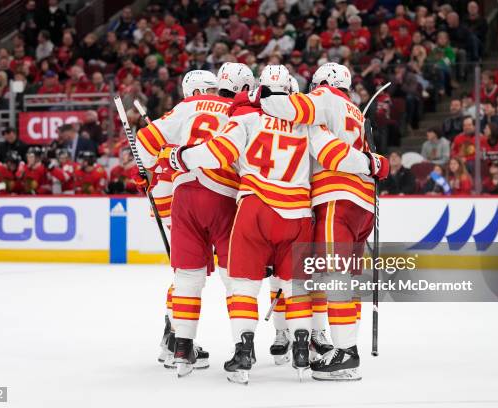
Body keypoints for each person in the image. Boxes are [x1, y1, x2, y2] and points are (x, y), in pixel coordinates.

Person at [159, 65, 387, 384]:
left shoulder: (253, 115)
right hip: (313, 209)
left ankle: (238, 348)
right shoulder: (320, 124)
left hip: (260, 206)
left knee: (240, 283)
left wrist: (178, 159)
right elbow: (334, 152)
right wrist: (374, 163)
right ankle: (303, 346)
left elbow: (220, 152)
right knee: (306, 283)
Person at [248, 62, 390, 380]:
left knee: (335, 279)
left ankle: (345, 354)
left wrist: (264, 93)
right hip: (363, 206)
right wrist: (373, 162)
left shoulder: (323, 98)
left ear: (321, 82)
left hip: (336, 199)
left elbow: (280, 106)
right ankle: (343, 343)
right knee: (347, 280)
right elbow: (372, 162)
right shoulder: (356, 112)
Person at [138, 65, 255, 377]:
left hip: (184, 197)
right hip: (225, 197)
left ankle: (181, 350)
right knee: (236, 279)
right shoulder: (241, 112)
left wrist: (148, 166)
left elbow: (144, 143)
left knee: (187, 278)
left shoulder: (186, 107)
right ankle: (242, 351)